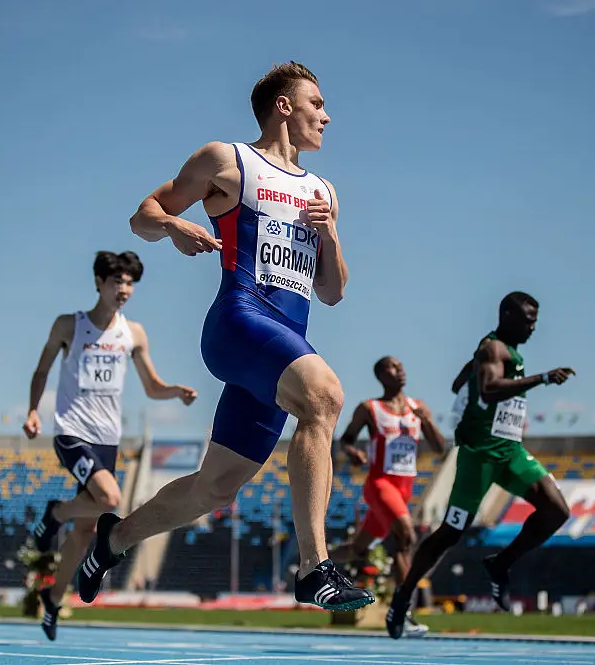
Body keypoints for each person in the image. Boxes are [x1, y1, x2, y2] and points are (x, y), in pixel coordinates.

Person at [75, 62, 374, 612]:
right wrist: (173, 227)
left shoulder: (321, 190)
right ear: (284, 106)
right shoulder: (228, 161)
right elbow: (143, 215)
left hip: (282, 344)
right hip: (238, 325)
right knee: (325, 396)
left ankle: (111, 540)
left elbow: (332, 292)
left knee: (215, 489)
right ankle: (315, 568)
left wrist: (328, 233)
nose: (327, 116)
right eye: (317, 103)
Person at [23, 250, 197, 640]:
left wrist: (175, 393)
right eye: (117, 281)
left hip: (107, 440)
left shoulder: (133, 333)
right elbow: (42, 368)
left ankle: (52, 598)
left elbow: (152, 386)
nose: (124, 289)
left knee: (84, 533)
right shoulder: (70, 325)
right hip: (72, 431)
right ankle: (55, 513)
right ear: (99, 283)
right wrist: (34, 411)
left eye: (130, 283)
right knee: (109, 498)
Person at [386, 291, 575, 639]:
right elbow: (489, 389)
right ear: (506, 316)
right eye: (527, 320)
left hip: (510, 450)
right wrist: (543, 378)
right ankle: (402, 597)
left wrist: (462, 379)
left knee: (557, 510)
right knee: (450, 533)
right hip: (480, 456)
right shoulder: (493, 348)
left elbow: (472, 377)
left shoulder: (495, 350)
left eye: (536, 320)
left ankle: (501, 563)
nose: (533, 327)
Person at [331, 356, 446, 636]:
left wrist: (427, 422)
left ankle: (317, 560)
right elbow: (345, 439)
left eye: (402, 366)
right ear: (381, 376)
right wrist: (353, 452)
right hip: (379, 485)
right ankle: (402, 613)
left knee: (359, 549)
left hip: (404, 490)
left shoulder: (418, 408)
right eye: (393, 367)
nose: (401, 370)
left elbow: (440, 448)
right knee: (406, 536)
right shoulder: (370, 408)